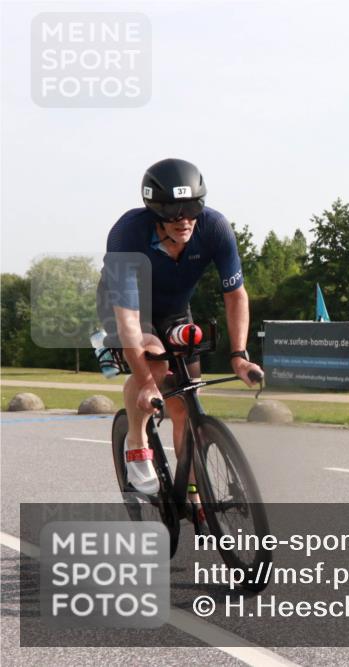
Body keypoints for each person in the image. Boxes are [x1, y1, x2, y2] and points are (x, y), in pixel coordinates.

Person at [98, 158, 263, 504]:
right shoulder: (128, 234)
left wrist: (239, 356)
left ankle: (190, 492)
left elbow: (235, 295)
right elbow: (128, 319)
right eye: (174, 214)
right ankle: (136, 442)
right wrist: (145, 381)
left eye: (192, 210)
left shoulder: (215, 227)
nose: (185, 221)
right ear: (156, 212)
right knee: (155, 362)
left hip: (174, 310)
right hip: (126, 308)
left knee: (185, 405)